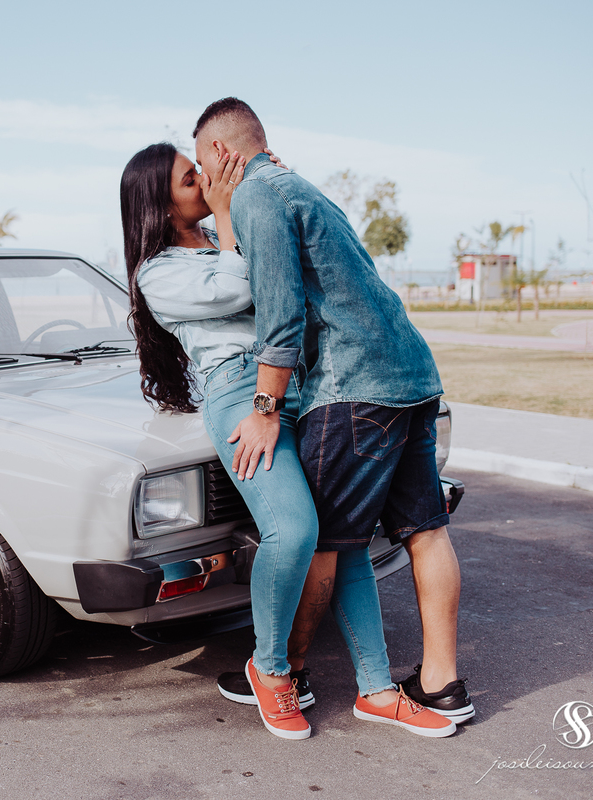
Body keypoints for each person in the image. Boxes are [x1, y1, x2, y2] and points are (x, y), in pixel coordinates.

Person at [120, 141, 455, 740]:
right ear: (157, 201)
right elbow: (249, 285)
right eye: (187, 176)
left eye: (200, 168)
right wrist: (230, 212)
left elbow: (287, 279)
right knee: (296, 529)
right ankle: (269, 668)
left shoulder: (234, 232)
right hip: (242, 398)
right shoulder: (159, 272)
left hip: (301, 385)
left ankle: (377, 690)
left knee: (341, 534)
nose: (203, 178)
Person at [190, 97, 474, 725]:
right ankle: (442, 685)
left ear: (219, 153)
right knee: (425, 530)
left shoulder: (258, 199)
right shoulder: (299, 187)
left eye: (200, 163)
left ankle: (285, 672)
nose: (202, 178)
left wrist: (265, 407)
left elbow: (281, 316)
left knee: (323, 540)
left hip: (353, 386)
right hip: (412, 374)